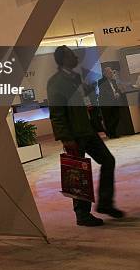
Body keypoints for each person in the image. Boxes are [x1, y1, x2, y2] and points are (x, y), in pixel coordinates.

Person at [47, 45, 124, 227]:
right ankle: (82, 214)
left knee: (108, 160)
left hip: (87, 131)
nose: (75, 57)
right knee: (78, 174)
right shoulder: (56, 82)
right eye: (71, 55)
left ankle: (105, 203)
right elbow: (56, 113)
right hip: (74, 135)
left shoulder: (74, 77)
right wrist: (66, 138)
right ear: (63, 59)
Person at [98, 67, 124, 139]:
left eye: (112, 72)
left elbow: (117, 89)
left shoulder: (113, 81)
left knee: (117, 117)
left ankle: (112, 133)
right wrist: (113, 95)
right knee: (109, 119)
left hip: (115, 102)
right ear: (105, 74)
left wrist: (118, 93)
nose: (112, 74)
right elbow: (104, 91)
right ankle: (112, 134)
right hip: (106, 103)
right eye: (110, 73)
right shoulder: (101, 81)